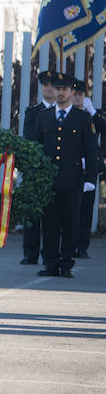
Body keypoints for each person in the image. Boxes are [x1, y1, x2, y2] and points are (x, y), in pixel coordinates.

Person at [32, 73, 98, 278]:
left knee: (70, 223)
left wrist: (90, 179)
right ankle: (50, 262)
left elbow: (91, 151)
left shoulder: (83, 118)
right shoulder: (43, 116)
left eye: (64, 89)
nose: (59, 93)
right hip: (48, 180)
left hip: (72, 179)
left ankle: (66, 263)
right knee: (49, 223)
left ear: (71, 91)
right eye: (56, 89)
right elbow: (35, 147)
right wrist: (34, 176)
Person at [19, 69, 56, 265]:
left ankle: (50, 254)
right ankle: (30, 253)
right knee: (33, 214)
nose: (48, 88)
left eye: (51, 85)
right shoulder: (32, 113)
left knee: (52, 217)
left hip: (55, 170)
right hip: (35, 169)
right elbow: (29, 140)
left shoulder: (62, 113)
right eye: (45, 85)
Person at [70, 79, 105, 260]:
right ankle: (70, 244)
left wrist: (92, 112)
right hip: (73, 167)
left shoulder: (93, 114)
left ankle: (82, 246)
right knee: (72, 208)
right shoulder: (69, 113)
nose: (77, 98)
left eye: (80, 95)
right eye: (74, 94)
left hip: (89, 169)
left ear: (86, 96)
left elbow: (103, 128)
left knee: (86, 209)